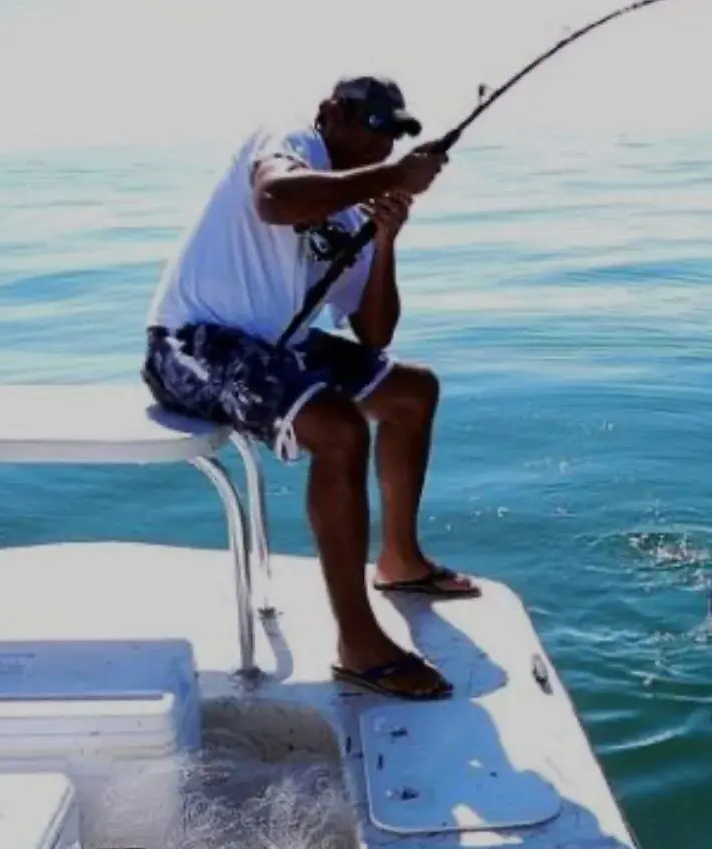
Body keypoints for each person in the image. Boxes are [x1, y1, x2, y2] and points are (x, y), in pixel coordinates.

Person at [141, 74, 478, 700]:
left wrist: (383, 239)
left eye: (396, 134)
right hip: (191, 342)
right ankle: (357, 641)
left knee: (412, 392)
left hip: (275, 343)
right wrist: (393, 177)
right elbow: (276, 199)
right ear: (331, 113)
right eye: (374, 124)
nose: (384, 143)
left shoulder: (354, 208)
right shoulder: (290, 139)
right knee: (339, 429)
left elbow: (374, 333)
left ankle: (400, 561)